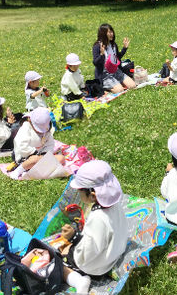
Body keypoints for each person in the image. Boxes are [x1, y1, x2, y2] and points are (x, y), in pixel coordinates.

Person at [59, 160, 129, 294]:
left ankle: (80, 282)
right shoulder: (114, 204)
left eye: (80, 191)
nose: (78, 194)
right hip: (115, 251)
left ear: (92, 195)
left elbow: (90, 252)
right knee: (66, 249)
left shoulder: (98, 217)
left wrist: (74, 238)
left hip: (97, 267)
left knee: (58, 263)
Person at [9, 107, 66, 179]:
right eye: (38, 129)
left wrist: (46, 153)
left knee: (61, 158)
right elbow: (21, 145)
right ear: (30, 120)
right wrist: (34, 153)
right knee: (34, 160)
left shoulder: (47, 130)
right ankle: (18, 170)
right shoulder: (26, 127)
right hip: (25, 156)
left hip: (40, 156)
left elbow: (50, 143)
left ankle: (32, 170)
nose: (40, 132)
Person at [92, 23, 136, 93]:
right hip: (105, 75)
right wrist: (101, 55)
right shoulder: (97, 46)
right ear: (103, 33)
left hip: (116, 71)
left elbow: (117, 57)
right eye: (109, 32)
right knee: (120, 90)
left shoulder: (113, 45)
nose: (112, 34)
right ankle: (104, 87)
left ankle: (116, 84)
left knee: (132, 85)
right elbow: (95, 63)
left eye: (112, 31)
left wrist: (124, 48)